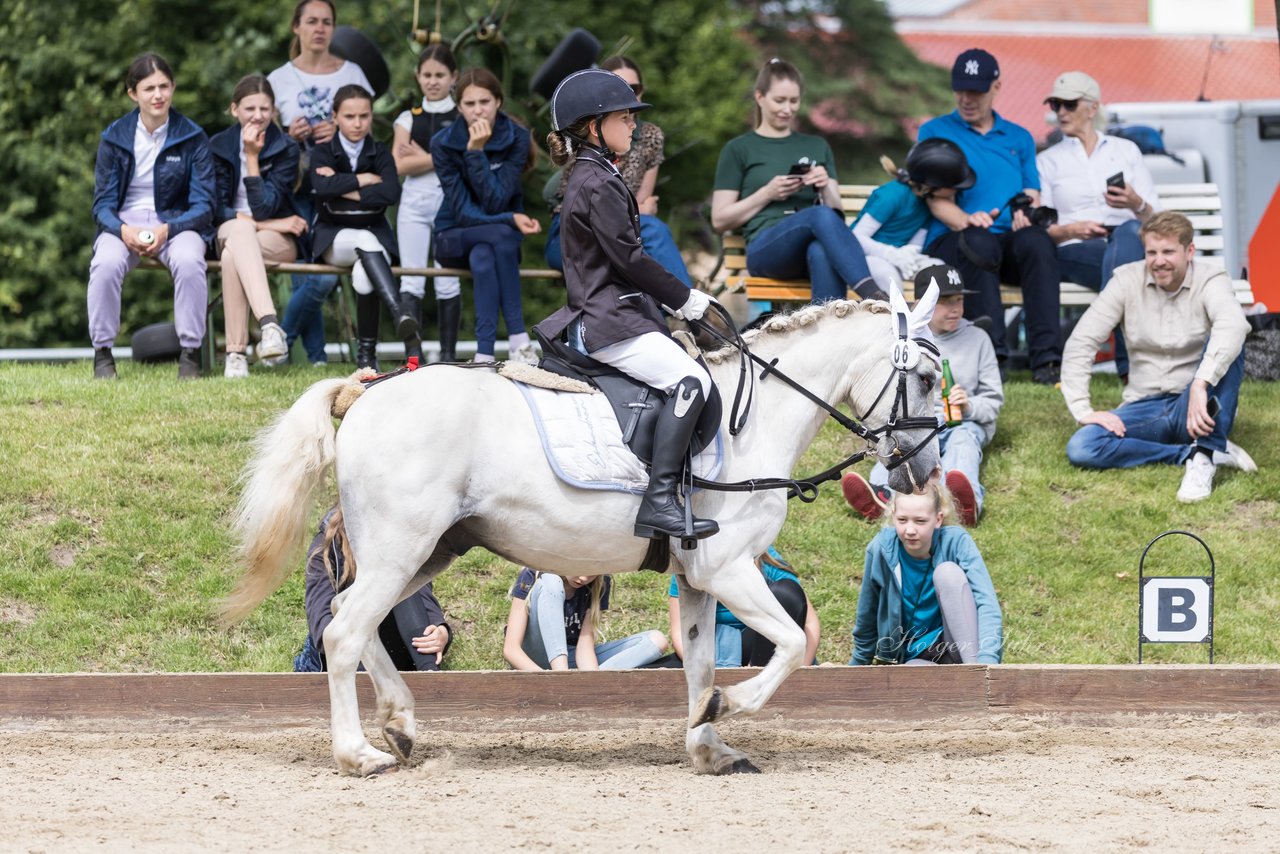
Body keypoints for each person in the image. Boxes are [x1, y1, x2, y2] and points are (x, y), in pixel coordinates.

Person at [538, 69, 719, 542]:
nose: (633, 126)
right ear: (594, 126)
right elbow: (630, 258)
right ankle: (659, 500)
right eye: (624, 118)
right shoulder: (597, 182)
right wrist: (687, 299)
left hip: (617, 311)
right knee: (692, 379)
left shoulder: (595, 173)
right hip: (606, 318)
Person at [1062, 212, 1256, 503]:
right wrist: (1082, 409)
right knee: (1083, 447)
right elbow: (1082, 341)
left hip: (1194, 406)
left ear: (1189, 251)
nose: (1158, 260)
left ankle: (1204, 456)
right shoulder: (1126, 280)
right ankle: (1191, 453)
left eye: (1168, 251)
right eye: (1151, 252)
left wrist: (1200, 385)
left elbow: (1234, 324)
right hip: (1143, 408)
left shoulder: (1211, 279)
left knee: (1231, 339)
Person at [917, 48, 1063, 385]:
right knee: (979, 241)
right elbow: (935, 200)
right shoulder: (934, 132)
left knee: (1038, 242)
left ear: (996, 88)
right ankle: (993, 358)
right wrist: (967, 219)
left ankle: (1048, 362)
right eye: (961, 90)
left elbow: (1032, 192)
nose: (967, 99)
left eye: (977, 91)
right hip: (955, 239)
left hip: (1003, 241)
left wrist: (1024, 212)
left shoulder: (1019, 137)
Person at [710, 58, 881, 305]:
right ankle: (873, 296)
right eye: (779, 101)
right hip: (766, 251)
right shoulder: (738, 149)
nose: (787, 109)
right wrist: (766, 194)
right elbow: (719, 219)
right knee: (817, 215)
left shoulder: (816, 145)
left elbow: (836, 214)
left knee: (821, 250)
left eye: (794, 101)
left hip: (811, 248)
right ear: (760, 97)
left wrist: (825, 184)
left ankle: (828, 334)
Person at [843, 263, 1002, 526]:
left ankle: (965, 502)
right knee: (902, 442)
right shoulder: (904, 341)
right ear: (921, 304)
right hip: (922, 420)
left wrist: (970, 406)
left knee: (962, 442)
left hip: (966, 421)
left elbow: (994, 398)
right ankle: (882, 494)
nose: (954, 308)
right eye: (945, 301)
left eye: (959, 300)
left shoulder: (978, 338)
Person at [88, 52, 213, 380]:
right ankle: (102, 354)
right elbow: (101, 205)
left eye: (164, 86)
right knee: (104, 264)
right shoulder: (113, 137)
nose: (158, 95)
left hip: (176, 220)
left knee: (189, 260)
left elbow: (204, 205)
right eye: (148, 88)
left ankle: (190, 355)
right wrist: (122, 229)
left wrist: (168, 229)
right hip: (124, 222)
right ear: (133, 93)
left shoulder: (192, 137)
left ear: (173, 88)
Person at [267, 0, 373, 366]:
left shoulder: (353, 74)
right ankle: (316, 359)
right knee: (303, 271)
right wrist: (286, 133)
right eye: (311, 21)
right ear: (296, 27)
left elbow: (367, 128)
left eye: (326, 22)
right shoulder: (277, 79)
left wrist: (340, 131)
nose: (319, 28)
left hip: (338, 185)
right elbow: (262, 139)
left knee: (324, 276)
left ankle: (280, 340)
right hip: (295, 184)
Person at [1037, 71, 1159, 381]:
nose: (1060, 112)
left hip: (1128, 240)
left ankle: (1101, 350)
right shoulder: (1047, 160)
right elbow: (1042, 228)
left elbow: (1157, 221)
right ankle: (1130, 368)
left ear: (1092, 108)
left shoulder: (1125, 151)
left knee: (1129, 236)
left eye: (1069, 104)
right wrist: (1073, 229)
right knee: (1127, 270)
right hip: (1075, 248)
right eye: (1055, 104)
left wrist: (1135, 202)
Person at [544, 56, 692, 287]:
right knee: (648, 235)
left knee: (643, 245)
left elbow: (640, 205)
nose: (626, 94)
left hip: (627, 231)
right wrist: (637, 211)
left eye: (634, 88)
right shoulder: (587, 133)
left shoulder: (651, 136)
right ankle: (691, 309)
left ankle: (674, 313)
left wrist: (637, 211)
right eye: (617, 86)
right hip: (574, 232)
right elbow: (604, 205)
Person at [431, 68, 540, 364]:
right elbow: (464, 213)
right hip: (453, 234)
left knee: (484, 257)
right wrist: (509, 219)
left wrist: (476, 154)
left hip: (493, 242)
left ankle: (483, 355)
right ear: (458, 108)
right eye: (469, 104)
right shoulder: (442, 142)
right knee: (502, 235)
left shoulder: (516, 137)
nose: (478, 111)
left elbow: (495, 201)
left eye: (485, 102)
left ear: (499, 102)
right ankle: (519, 339)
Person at [310, 84, 414, 371]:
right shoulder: (321, 152)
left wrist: (342, 186)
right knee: (366, 239)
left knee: (364, 277)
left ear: (371, 117)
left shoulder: (380, 153)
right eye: (349, 116)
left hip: (373, 239)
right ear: (335, 117)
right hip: (332, 237)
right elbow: (320, 187)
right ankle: (399, 311)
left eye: (364, 116)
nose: (357, 124)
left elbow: (391, 193)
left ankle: (367, 358)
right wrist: (364, 179)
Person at [208, 73, 305, 378]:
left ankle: (235, 356)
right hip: (232, 228)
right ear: (234, 109)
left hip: (277, 241)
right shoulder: (217, 146)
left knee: (231, 256)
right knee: (239, 233)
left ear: (273, 111)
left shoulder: (285, 148)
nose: (258, 116)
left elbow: (265, 204)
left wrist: (252, 157)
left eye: (265, 109)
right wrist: (273, 222)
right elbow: (215, 209)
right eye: (250, 109)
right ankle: (270, 325)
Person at [850, 482, 1003, 666]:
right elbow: (867, 616)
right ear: (893, 516)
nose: (910, 530)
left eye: (920, 521)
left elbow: (986, 603)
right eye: (902, 520)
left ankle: (976, 675)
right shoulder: (880, 549)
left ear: (938, 519)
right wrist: (855, 670)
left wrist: (988, 664)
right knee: (914, 674)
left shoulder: (956, 541)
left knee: (948, 573)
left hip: (959, 649)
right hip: (913, 659)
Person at [293, 506, 452, 672]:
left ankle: (429, 676)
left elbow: (422, 594)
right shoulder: (325, 544)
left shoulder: (400, 541)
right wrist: (354, 643)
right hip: (345, 655)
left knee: (397, 580)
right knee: (365, 593)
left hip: (395, 653)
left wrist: (440, 630)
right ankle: (363, 686)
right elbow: (321, 623)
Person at [392, 44, 462, 363]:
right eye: (427, 75)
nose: (433, 81)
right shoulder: (408, 118)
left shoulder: (461, 115)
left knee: (447, 277)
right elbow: (399, 166)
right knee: (413, 276)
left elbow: (463, 161)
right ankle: (414, 356)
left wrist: (421, 157)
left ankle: (448, 355)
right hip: (413, 203)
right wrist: (441, 157)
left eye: (440, 75)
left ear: (453, 77)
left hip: (449, 202)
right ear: (417, 77)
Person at [851, 139, 974, 294]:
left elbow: (916, 243)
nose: (957, 191)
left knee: (939, 270)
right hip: (866, 257)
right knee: (888, 276)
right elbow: (855, 238)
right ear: (932, 186)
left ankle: (931, 317)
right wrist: (890, 254)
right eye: (953, 187)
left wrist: (909, 254)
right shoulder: (892, 195)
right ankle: (897, 318)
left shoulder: (928, 202)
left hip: (899, 258)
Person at [667, 546, 820, 668]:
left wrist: (801, 669)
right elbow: (680, 632)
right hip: (715, 652)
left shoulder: (765, 558)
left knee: (786, 593)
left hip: (761, 648)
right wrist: (701, 669)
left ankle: (761, 678)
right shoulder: (690, 567)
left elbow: (809, 622)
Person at [502, 568, 668, 670]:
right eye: (580, 568)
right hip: (534, 656)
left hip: (571, 657)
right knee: (551, 582)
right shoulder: (534, 573)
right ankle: (562, 677)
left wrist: (589, 681)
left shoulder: (600, 584)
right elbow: (511, 650)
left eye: (592, 572)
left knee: (656, 640)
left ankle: (584, 684)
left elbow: (584, 648)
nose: (583, 578)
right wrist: (545, 679)